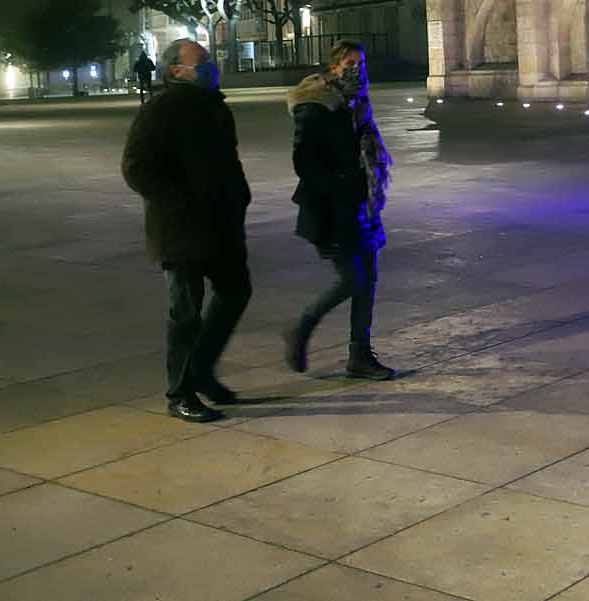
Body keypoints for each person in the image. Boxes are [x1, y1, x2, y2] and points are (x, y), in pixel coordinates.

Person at [120, 39, 252, 422]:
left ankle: (202, 371)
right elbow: (136, 167)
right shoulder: (161, 109)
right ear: (176, 70)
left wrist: (240, 194)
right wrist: (179, 202)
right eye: (203, 61)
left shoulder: (215, 107)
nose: (211, 65)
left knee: (235, 291)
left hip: (222, 223)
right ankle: (179, 391)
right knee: (186, 312)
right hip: (180, 228)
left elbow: (230, 159)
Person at [283, 40, 396, 380]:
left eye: (360, 62)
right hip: (333, 209)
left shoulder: (356, 102)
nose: (356, 68)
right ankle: (301, 328)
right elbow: (304, 162)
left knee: (368, 278)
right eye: (349, 62)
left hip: (362, 204)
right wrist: (340, 190)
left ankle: (359, 354)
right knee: (352, 278)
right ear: (333, 67)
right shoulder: (315, 105)